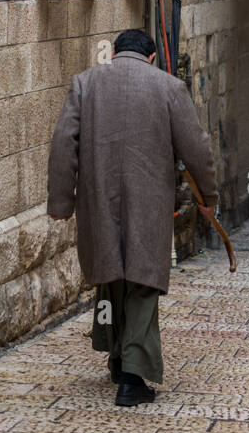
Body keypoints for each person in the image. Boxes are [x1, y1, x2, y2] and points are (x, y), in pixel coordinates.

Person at [47, 29, 218, 407]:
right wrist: (208, 197)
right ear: (152, 57)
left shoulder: (85, 83)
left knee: (112, 275)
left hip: (98, 201)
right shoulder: (169, 88)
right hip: (148, 203)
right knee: (142, 281)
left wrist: (61, 202)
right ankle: (131, 378)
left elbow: (63, 143)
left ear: (117, 51)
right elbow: (196, 148)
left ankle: (117, 354)